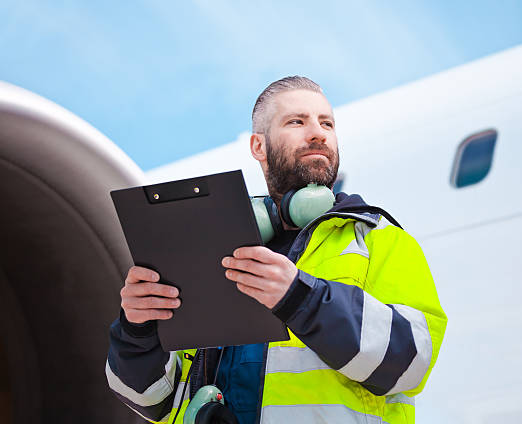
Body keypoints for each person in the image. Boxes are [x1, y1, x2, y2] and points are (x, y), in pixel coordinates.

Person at [106, 76, 447, 424]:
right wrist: (137, 330)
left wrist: (301, 298)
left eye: (326, 122)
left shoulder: (378, 239)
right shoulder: (213, 247)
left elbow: (412, 361)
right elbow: (151, 402)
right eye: (297, 121)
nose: (318, 133)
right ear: (258, 146)